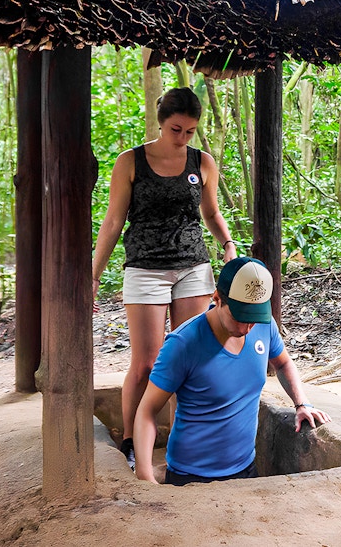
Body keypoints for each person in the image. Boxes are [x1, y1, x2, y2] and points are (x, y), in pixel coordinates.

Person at [92, 87, 237, 470]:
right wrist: (94, 275)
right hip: (144, 268)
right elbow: (112, 221)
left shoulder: (202, 162)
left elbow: (211, 214)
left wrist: (227, 243)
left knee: (189, 357)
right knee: (147, 363)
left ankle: (182, 441)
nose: (183, 138)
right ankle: (129, 440)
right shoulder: (130, 162)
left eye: (190, 131)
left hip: (193, 267)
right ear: (161, 122)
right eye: (176, 129)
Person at [133, 256, 332, 485]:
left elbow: (283, 363)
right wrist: (144, 474)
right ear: (217, 298)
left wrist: (301, 403)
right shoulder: (183, 344)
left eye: (254, 318)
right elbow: (147, 410)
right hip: (191, 477)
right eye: (240, 316)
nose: (248, 327)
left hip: (246, 469)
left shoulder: (265, 326)